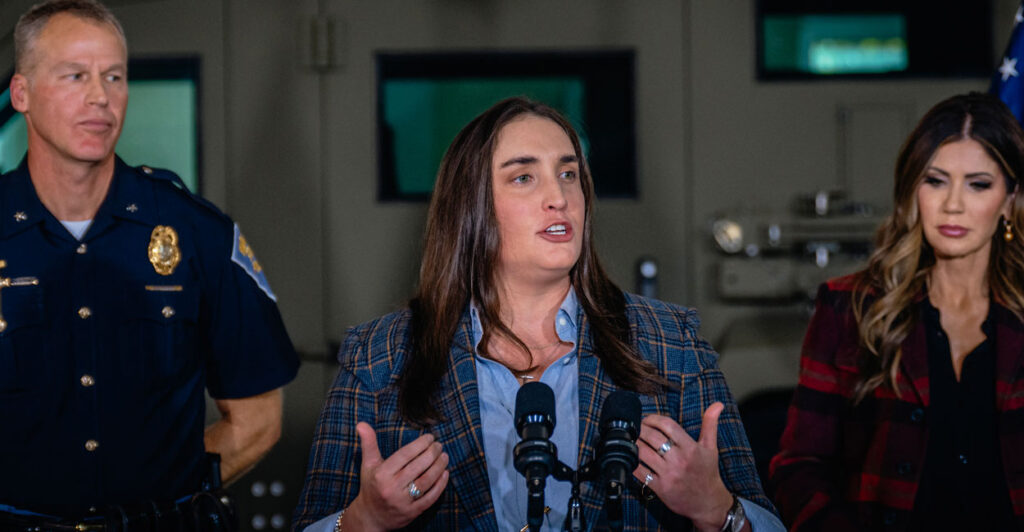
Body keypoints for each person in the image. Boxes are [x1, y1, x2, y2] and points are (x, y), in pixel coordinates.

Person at [293, 97, 783, 531]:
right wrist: (362, 522)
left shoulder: (672, 343)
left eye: (569, 174)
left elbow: (761, 520)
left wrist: (718, 510)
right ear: (470, 206)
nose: (560, 197)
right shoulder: (380, 357)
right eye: (524, 177)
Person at [0, 0, 299, 527]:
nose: (100, 97)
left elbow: (258, 420)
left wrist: (175, 500)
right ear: (20, 93)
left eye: (114, 77)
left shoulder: (197, 232)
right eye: (75, 76)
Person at [770, 92, 1024, 531]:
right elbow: (799, 466)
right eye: (936, 180)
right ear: (912, 189)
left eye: (978, 184)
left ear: (1008, 199)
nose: (954, 205)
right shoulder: (850, 307)